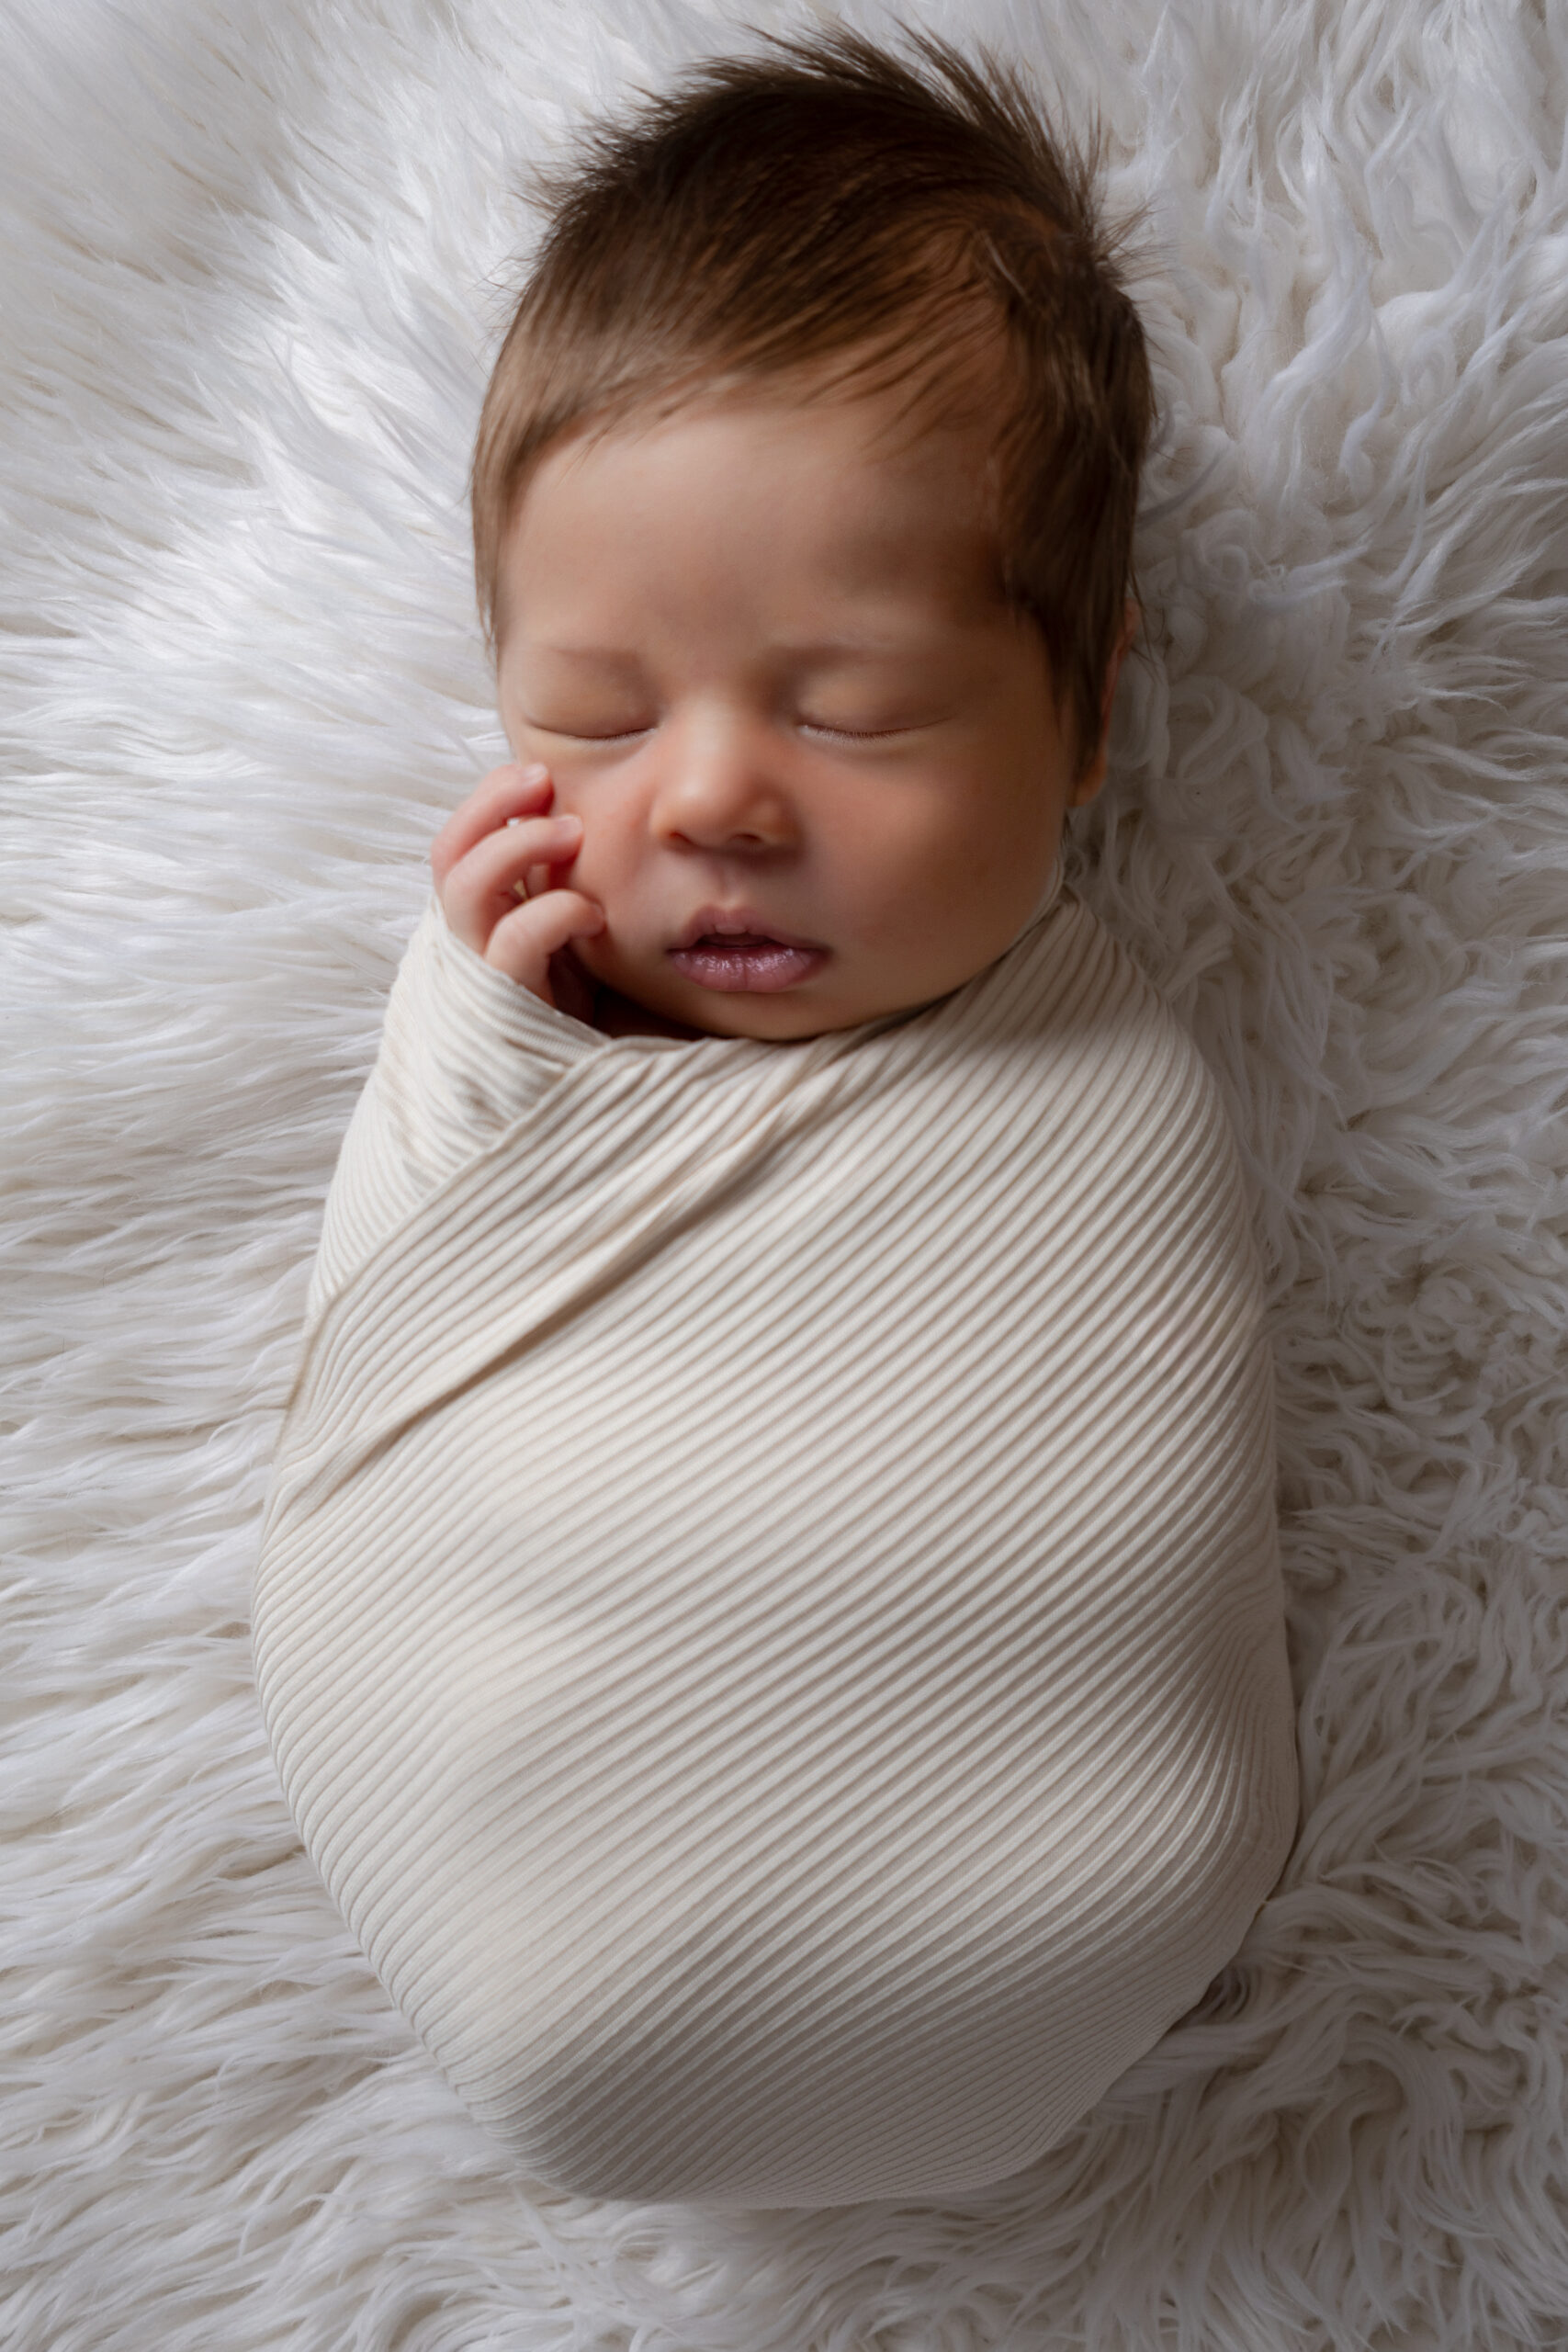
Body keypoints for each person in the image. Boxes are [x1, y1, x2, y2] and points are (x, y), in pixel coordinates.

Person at [253, 27, 1299, 2210]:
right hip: (516, 1897)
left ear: (1087, 709)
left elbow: (1138, 1467)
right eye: (593, 715)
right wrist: (480, 1040)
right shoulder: (534, 1029)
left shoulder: (1092, 1090)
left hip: (1094, 1881)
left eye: (855, 710)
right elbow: (389, 1333)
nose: (711, 797)